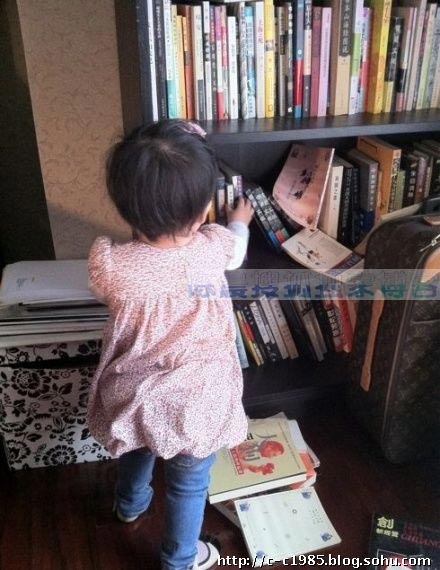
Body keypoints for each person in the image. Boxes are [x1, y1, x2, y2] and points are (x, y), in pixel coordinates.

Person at [87, 119, 254, 570]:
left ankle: (130, 504)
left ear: (125, 207)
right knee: (188, 484)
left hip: (135, 394)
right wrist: (239, 221)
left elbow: (104, 292)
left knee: (137, 447)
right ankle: (179, 558)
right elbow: (238, 251)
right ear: (202, 213)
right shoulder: (214, 247)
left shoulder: (110, 264)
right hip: (198, 402)